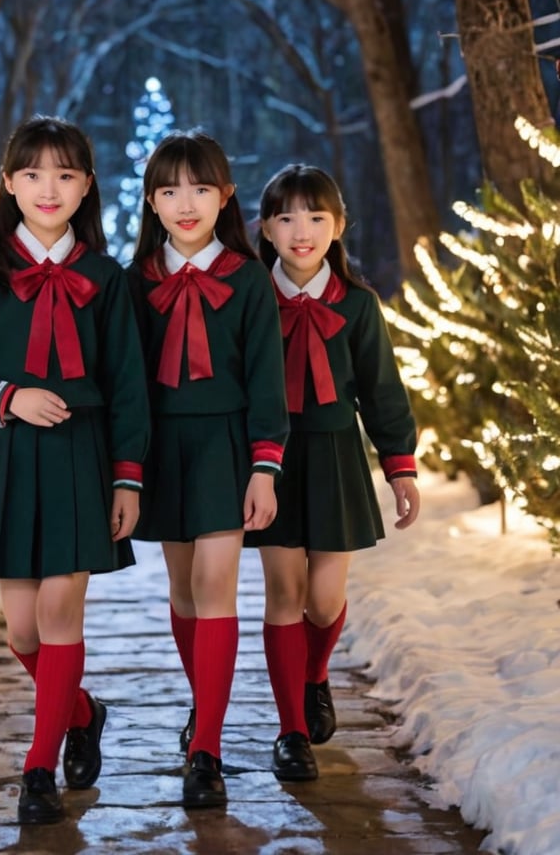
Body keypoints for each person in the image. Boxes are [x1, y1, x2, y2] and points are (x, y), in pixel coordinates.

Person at [0, 116, 149, 825]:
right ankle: (83, 713)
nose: (47, 188)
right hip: (10, 459)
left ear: (86, 185)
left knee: (59, 613)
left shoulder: (105, 278)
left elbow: (128, 387)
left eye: (64, 174)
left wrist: (127, 477)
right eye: (32, 174)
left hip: (82, 461)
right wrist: (7, 395)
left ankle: (38, 770)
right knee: (22, 631)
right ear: (9, 184)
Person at [127, 131, 289, 810]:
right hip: (164, 448)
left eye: (199, 188)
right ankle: (204, 705)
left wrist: (264, 467)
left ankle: (208, 750)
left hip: (227, 447)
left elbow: (266, 380)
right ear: (152, 203)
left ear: (225, 196)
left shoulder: (248, 279)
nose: (185, 203)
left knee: (217, 582)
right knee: (185, 590)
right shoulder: (137, 282)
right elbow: (127, 382)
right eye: (169, 191)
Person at [244, 164, 421, 783]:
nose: (302, 231)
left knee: (323, 600)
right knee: (284, 595)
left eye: (317, 217)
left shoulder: (357, 304)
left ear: (338, 225)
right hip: (272, 459)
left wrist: (400, 467)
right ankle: (291, 728)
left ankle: (316, 674)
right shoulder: (249, 297)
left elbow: (382, 391)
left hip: (336, 455)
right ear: (265, 228)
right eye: (286, 217)